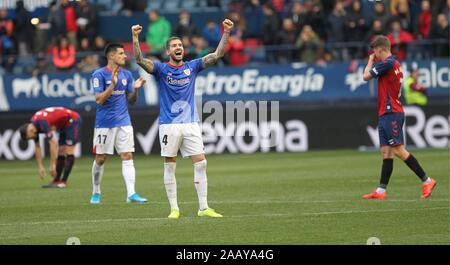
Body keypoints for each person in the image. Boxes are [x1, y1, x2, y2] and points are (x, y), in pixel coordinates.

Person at [131, 19, 235, 219]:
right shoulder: (161, 69)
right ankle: (174, 208)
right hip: (169, 124)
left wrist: (227, 32)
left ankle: (203, 208)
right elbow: (139, 60)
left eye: (180, 45)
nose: (178, 48)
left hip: (190, 122)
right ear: (168, 51)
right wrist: (135, 38)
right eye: (174, 46)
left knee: (201, 162)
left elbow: (218, 54)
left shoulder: (193, 66)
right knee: (170, 164)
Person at [362, 35, 436, 200]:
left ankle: (427, 180)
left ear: (381, 49)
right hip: (386, 112)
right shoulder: (394, 64)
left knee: (398, 150)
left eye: (375, 51)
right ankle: (381, 191)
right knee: (386, 152)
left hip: (391, 112)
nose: (374, 54)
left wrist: (369, 61)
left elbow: (365, 76)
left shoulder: (387, 63)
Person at [89, 43, 147, 204]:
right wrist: (113, 85)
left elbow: (132, 101)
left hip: (124, 121)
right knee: (101, 158)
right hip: (104, 124)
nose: (124, 56)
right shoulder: (98, 75)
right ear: (111, 56)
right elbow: (99, 100)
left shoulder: (127, 74)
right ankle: (96, 191)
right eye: (121, 53)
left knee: (127, 155)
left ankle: (131, 194)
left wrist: (135, 89)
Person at [18, 107, 82, 188]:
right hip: (63, 125)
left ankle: (63, 181)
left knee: (69, 150)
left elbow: (53, 143)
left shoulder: (41, 123)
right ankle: (57, 181)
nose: (32, 138)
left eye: (30, 137)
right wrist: (40, 166)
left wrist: (52, 165)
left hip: (73, 120)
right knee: (61, 150)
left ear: (30, 131)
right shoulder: (34, 126)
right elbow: (37, 147)